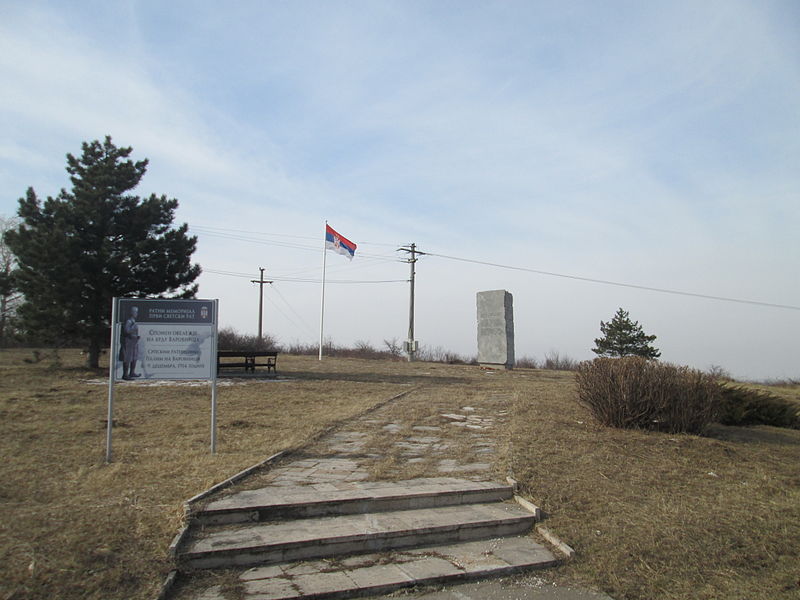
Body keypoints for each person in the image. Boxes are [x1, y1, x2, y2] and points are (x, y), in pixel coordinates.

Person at [119, 306, 141, 380]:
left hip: (133, 342)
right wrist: (134, 328)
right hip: (128, 342)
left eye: (137, 312)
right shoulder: (128, 321)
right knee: (127, 358)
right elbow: (127, 331)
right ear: (131, 312)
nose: (136, 313)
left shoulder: (133, 321)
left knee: (134, 357)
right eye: (135, 312)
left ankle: (132, 372)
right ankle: (125, 375)